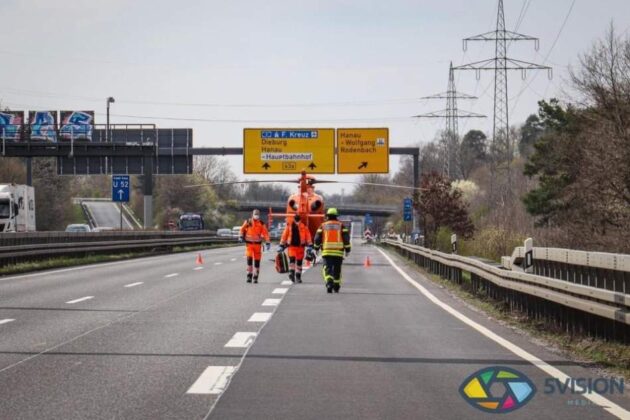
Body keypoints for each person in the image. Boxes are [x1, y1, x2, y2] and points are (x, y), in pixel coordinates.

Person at [313, 208, 351, 294]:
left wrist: (316, 248)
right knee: (337, 270)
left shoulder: (323, 225)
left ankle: (329, 283)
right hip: (338, 252)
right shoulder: (341, 225)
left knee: (327, 269)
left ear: (327, 216)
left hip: (327, 251)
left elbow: (317, 238)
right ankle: (336, 286)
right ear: (336, 216)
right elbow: (346, 238)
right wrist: (348, 249)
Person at [279, 214, 313, 283]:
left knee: (299, 263)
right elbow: (284, 236)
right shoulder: (290, 226)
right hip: (292, 247)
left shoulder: (304, 227)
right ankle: (292, 274)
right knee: (292, 261)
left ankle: (298, 277)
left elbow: (308, 236)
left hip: (300, 247)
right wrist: (281, 245)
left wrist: (310, 245)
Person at [239, 209, 270, 284]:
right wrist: (240, 236)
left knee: (257, 262)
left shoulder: (261, 224)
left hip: (258, 246)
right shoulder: (248, 222)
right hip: (249, 245)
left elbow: (265, 233)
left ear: (259, 215)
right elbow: (242, 229)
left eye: (257, 214)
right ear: (252, 215)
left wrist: (268, 242)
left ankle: (255, 277)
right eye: (255, 214)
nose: (256, 216)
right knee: (249, 260)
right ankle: (249, 276)